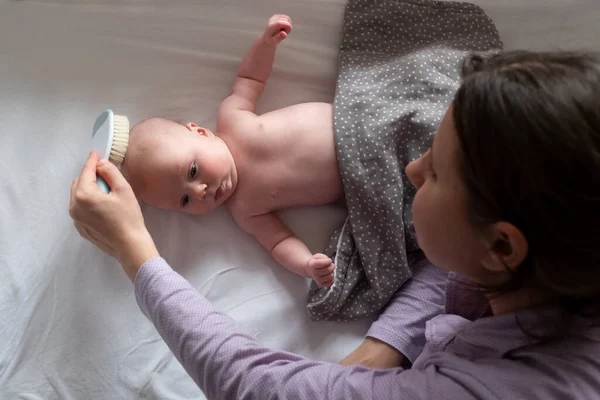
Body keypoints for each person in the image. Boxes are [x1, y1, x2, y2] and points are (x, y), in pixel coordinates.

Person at [70, 50, 600, 398]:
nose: (411, 168)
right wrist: (385, 345)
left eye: (434, 171)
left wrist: (136, 252)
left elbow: (255, 387)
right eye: (186, 200)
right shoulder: (553, 260)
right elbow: (462, 268)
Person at [121, 14, 340, 287]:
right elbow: (279, 242)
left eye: (192, 171)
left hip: (351, 119)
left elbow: (250, 77)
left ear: (200, 132)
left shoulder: (232, 118)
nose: (199, 191)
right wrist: (306, 264)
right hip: (361, 178)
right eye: (185, 201)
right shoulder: (245, 210)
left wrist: (266, 43)